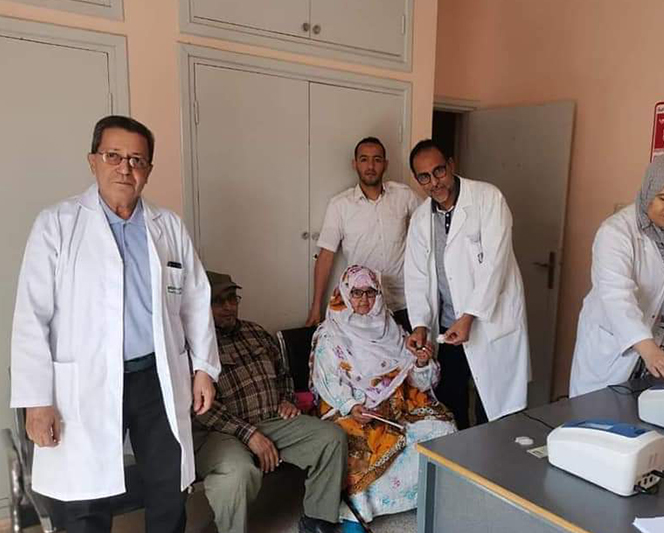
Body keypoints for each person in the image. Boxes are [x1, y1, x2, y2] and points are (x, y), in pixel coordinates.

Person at [10, 115, 220, 533]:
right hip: (84, 383)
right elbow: (31, 316)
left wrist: (203, 369)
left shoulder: (167, 226)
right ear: (93, 161)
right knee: (84, 497)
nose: (125, 168)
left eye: (137, 160)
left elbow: (196, 301)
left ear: (148, 170)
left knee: (168, 487)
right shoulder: (57, 224)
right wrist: (36, 400)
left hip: (155, 377)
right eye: (114, 156)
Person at [194, 271, 347, 533]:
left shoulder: (255, 332)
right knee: (237, 473)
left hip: (271, 420)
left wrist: (287, 399)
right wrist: (250, 434)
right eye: (218, 301)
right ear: (201, 304)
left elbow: (282, 373)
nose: (229, 307)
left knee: (331, 437)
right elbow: (201, 409)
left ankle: (317, 521)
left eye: (232, 298)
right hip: (220, 432)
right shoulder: (194, 345)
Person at [310, 265, 456, 533]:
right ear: (344, 294)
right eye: (356, 293)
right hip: (351, 407)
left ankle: (423, 496)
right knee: (357, 447)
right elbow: (327, 381)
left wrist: (421, 363)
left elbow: (418, 383)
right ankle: (357, 513)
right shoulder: (331, 334)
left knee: (442, 429)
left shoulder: (392, 329)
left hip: (398, 404)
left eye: (370, 292)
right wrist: (352, 406)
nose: (364, 300)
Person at [404, 139, 530, 430]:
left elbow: (495, 265)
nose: (434, 182)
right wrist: (420, 324)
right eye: (425, 177)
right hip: (449, 329)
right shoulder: (421, 219)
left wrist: (470, 315)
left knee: (495, 412)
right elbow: (416, 275)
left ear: (451, 165)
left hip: (489, 323)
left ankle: (494, 457)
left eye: (439, 171)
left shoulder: (488, 199)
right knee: (451, 407)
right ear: (417, 180)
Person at [569, 155, 664, 397]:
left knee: (648, 414)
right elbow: (616, 296)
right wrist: (648, 349)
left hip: (663, 349)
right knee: (598, 413)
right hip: (616, 350)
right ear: (649, 191)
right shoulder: (616, 232)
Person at [306, 137, 420, 332]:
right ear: (355, 164)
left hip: (405, 302)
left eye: (377, 159)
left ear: (385, 164)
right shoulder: (340, 205)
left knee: (411, 350)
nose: (370, 166)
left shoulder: (403, 195)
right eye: (364, 159)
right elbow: (325, 256)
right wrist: (316, 307)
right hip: (363, 306)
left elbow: (431, 223)